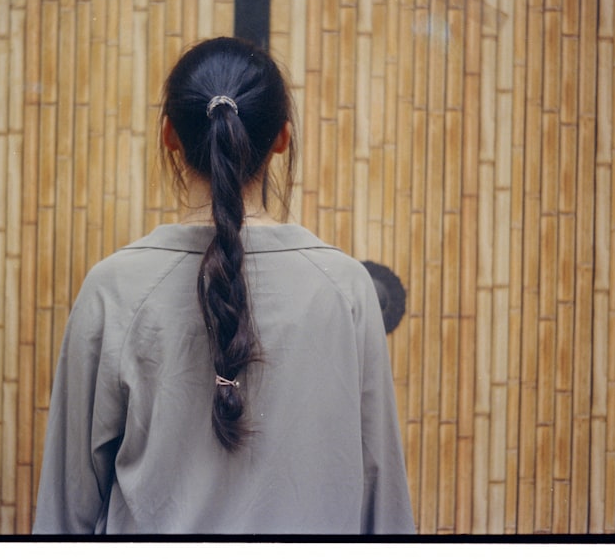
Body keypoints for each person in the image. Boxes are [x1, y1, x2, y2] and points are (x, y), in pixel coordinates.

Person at [32, 37, 415, 534]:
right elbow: (383, 504)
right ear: (282, 137)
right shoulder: (345, 290)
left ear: (169, 134)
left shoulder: (113, 289)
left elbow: (66, 510)